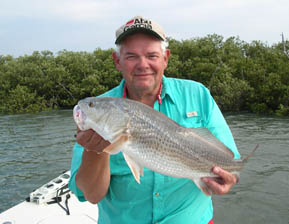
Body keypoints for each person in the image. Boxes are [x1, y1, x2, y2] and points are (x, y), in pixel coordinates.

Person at [69, 15, 240, 224]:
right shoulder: (101, 111)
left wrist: (229, 178)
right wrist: (94, 150)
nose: (143, 65)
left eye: (152, 55)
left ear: (165, 58)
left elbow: (231, 164)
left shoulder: (198, 95)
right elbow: (91, 195)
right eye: (131, 56)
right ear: (117, 61)